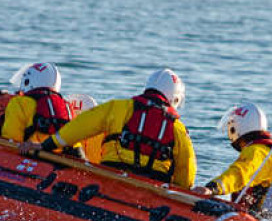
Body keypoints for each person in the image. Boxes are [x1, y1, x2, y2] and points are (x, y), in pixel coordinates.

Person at [22, 68, 196, 188]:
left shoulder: (117, 107)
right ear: (175, 99)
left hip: (110, 179)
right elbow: (187, 174)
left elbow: (78, 127)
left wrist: (45, 146)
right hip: (153, 189)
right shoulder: (177, 128)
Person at [194, 102, 272, 206]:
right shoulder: (269, 150)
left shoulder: (256, 151)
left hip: (257, 215)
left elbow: (239, 174)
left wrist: (212, 188)